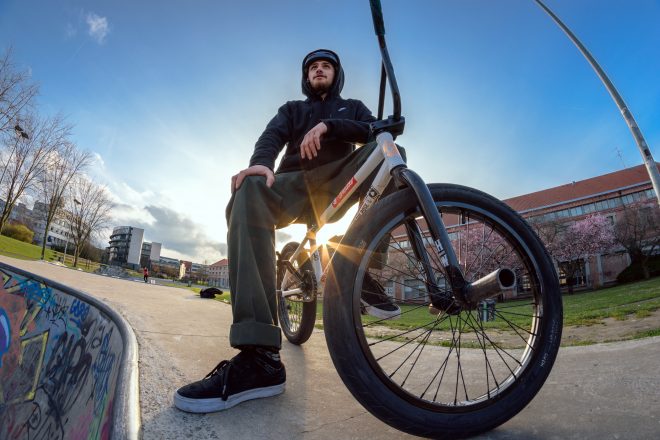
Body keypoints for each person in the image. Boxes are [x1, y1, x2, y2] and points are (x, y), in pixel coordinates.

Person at [174, 49, 402, 414]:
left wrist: (330, 126)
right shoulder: (292, 109)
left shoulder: (353, 108)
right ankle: (260, 356)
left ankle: (363, 268)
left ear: (337, 75)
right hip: (293, 184)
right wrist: (261, 164)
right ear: (306, 77)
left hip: (339, 178)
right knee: (248, 189)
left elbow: (375, 130)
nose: (319, 70)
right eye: (313, 67)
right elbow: (271, 136)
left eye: (326, 66)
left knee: (391, 148)